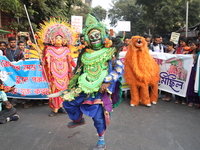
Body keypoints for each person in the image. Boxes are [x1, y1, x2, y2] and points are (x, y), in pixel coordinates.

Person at [58, 14, 124, 150]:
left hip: (100, 90)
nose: (94, 39)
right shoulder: (85, 54)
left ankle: (101, 140)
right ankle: (78, 119)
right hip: (83, 86)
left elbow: (119, 68)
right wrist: (72, 85)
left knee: (98, 117)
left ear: (103, 37)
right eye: (91, 37)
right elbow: (79, 71)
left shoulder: (109, 52)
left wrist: (107, 81)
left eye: (97, 36)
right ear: (87, 39)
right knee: (67, 103)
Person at [38, 18, 78, 117]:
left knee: (64, 90)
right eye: (56, 38)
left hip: (64, 74)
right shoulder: (49, 49)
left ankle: (62, 107)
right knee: (55, 90)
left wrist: (77, 68)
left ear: (63, 40)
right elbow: (44, 60)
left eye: (60, 39)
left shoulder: (66, 50)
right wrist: (42, 63)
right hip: (54, 73)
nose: (58, 40)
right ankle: (54, 108)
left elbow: (71, 61)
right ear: (52, 39)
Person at [187, 41, 200, 107]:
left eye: (193, 45)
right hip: (190, 70)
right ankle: (190, 100)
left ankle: (197, 101)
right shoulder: (189, 53)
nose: (191, 46)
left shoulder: (199, 53)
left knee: (196, 84)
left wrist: (197, 58)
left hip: (196, 70)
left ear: (197, 46)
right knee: (190, 84)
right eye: (190, 45)